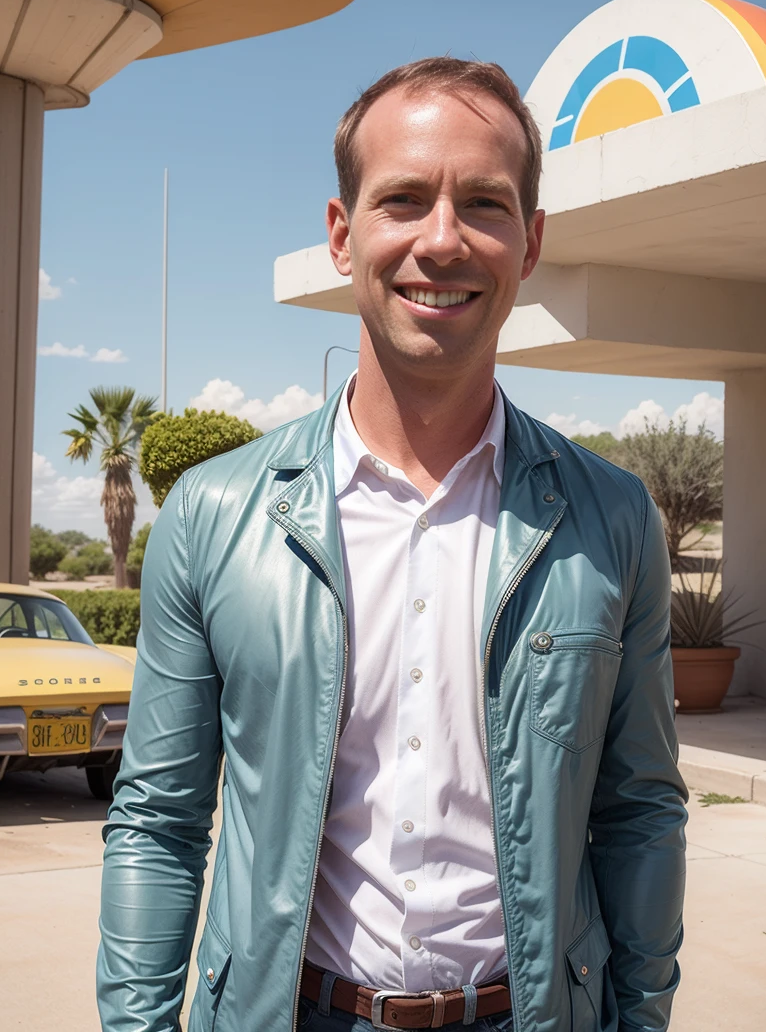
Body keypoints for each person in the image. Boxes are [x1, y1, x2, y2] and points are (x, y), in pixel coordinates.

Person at [97, 57, 687, 1032]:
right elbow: (158, 822)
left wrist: (644, 1020)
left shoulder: (612, 520)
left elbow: (639, 814)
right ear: (343, 234)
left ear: (530, 243)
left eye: (485, 205)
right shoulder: (211, 516)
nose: (442, 240)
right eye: (403, 199)